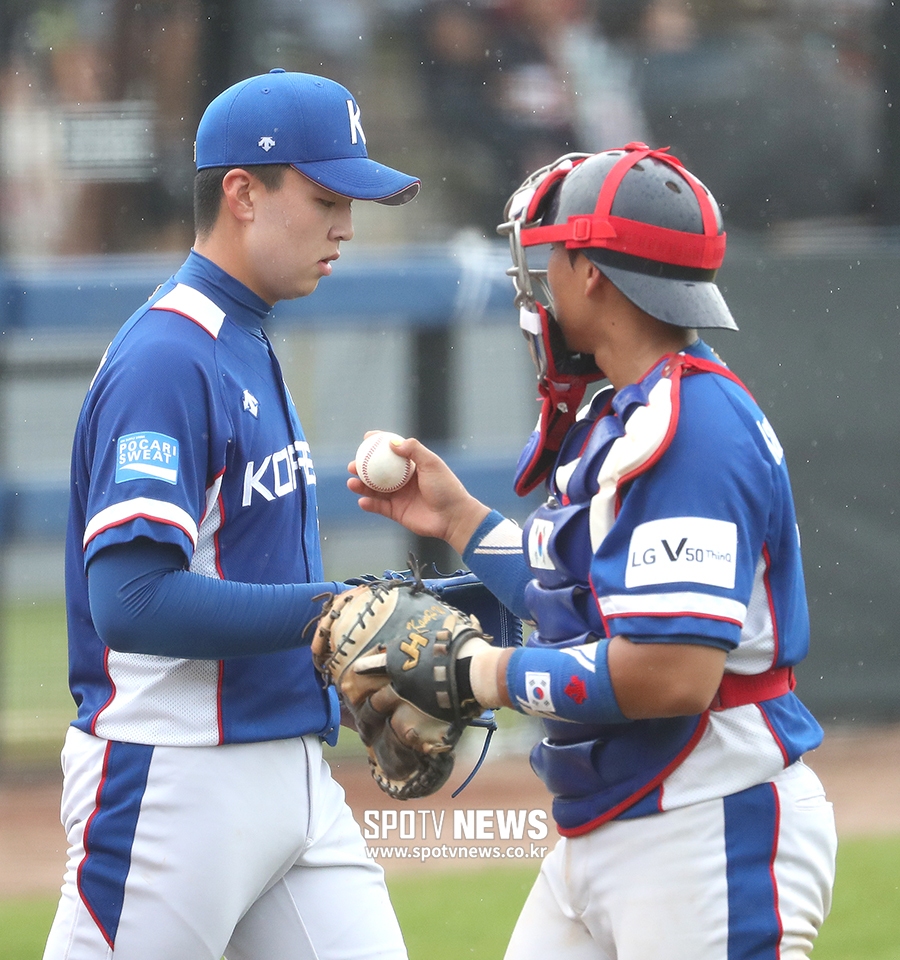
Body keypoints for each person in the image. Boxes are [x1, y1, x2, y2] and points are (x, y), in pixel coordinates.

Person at [349, 143, 837, 959]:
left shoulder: (691, 432)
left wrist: (479, 674)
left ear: (595, 275)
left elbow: (672, 674)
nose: (533, 283)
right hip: (620, 819)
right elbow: (575, 603)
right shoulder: (631, 412)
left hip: (708, 824)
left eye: (548, 259)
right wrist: (463, 519)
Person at [44, 69, 419, 960]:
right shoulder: (170, 356)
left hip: (289, 774)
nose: (347, 226)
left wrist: (421, 599)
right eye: (326, 196)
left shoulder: (244, 334)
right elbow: (132, 603)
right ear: (243, 193)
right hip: (172, 778)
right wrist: (337, 611)